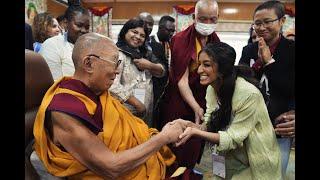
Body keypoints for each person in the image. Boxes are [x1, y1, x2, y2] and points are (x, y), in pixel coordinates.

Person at [33, 32, 186, 179]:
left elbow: (133, 131)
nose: (118, 70)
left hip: (141, 164)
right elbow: (111, 167)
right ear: (89, 63)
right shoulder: (66, 110)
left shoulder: (99, 93)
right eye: (115, 62)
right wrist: (163, 138)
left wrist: (161, 134)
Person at [176, 42, 282, 179]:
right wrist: (190, 126)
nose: (199, 70)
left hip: (254, 161)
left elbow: (232, 138)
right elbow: (209, 124)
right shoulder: (211, 89)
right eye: (199, 64)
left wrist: (195, 132)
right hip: (229, 160)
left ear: (223, 68)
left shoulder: (248, 94)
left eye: (206, 65)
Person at [159, 0, 220, 170]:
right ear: (194, 17)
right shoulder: (180, 39)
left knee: (194, 145)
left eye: (212, 19)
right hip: (180, 100)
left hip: (204, 100)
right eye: (203, 19)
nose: (208, 24)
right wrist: (195, 107)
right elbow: (182, 80)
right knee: (176, 144)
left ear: (217, 18)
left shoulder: (216, 41)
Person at [238, 0, 295, 177]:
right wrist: (258, 65)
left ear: (282, 21)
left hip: (278, 127)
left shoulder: (292, 50)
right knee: (244, 173)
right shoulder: (248, 50)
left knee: (273, 174)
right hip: (248, 125)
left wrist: (269, 63)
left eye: (267, 22)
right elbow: (241, 83)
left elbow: (289, 88)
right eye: (257, 23)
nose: (261, 27)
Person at [109, 18, 166, 127]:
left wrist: (149, 65)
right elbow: (112, 84)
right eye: (134, 32)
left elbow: (162, 72)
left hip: (146, 112)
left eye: (142, 35)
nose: (138, 37)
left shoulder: (145, 54)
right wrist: (136, 103)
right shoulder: (117, 53)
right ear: (125, 31)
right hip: (125, 111)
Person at [39, 5, 90, 81]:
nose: (83, 30)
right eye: (79, 25)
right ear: (66, 23)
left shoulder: (90, 46)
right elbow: (55, 84)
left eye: (87, 27)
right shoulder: (52, 45)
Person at [149, 15, 176, 129]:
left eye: (173, 31)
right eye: (168, 30)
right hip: (153, 88)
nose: (171, 34)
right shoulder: (149, 42)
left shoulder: (171, 44)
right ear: (160, 28)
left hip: (167, 91)